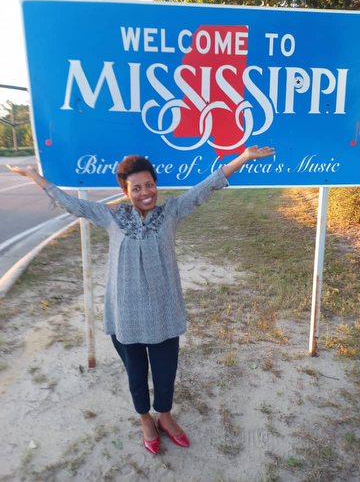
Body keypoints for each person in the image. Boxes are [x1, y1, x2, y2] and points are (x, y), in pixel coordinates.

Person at [7, 145, 275, 454]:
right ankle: (145, 419)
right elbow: (71, 204)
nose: (146, 192)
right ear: (125, 190)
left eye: (150, 185)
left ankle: (165, 416)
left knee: (164, 371)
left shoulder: (171, 213)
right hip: (126, 316)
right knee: (135, 372)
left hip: (163, 313)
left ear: (156, 184)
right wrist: (33, 175)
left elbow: (207, 186)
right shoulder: (111, 217)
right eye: (137, 188)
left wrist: (242, 158)